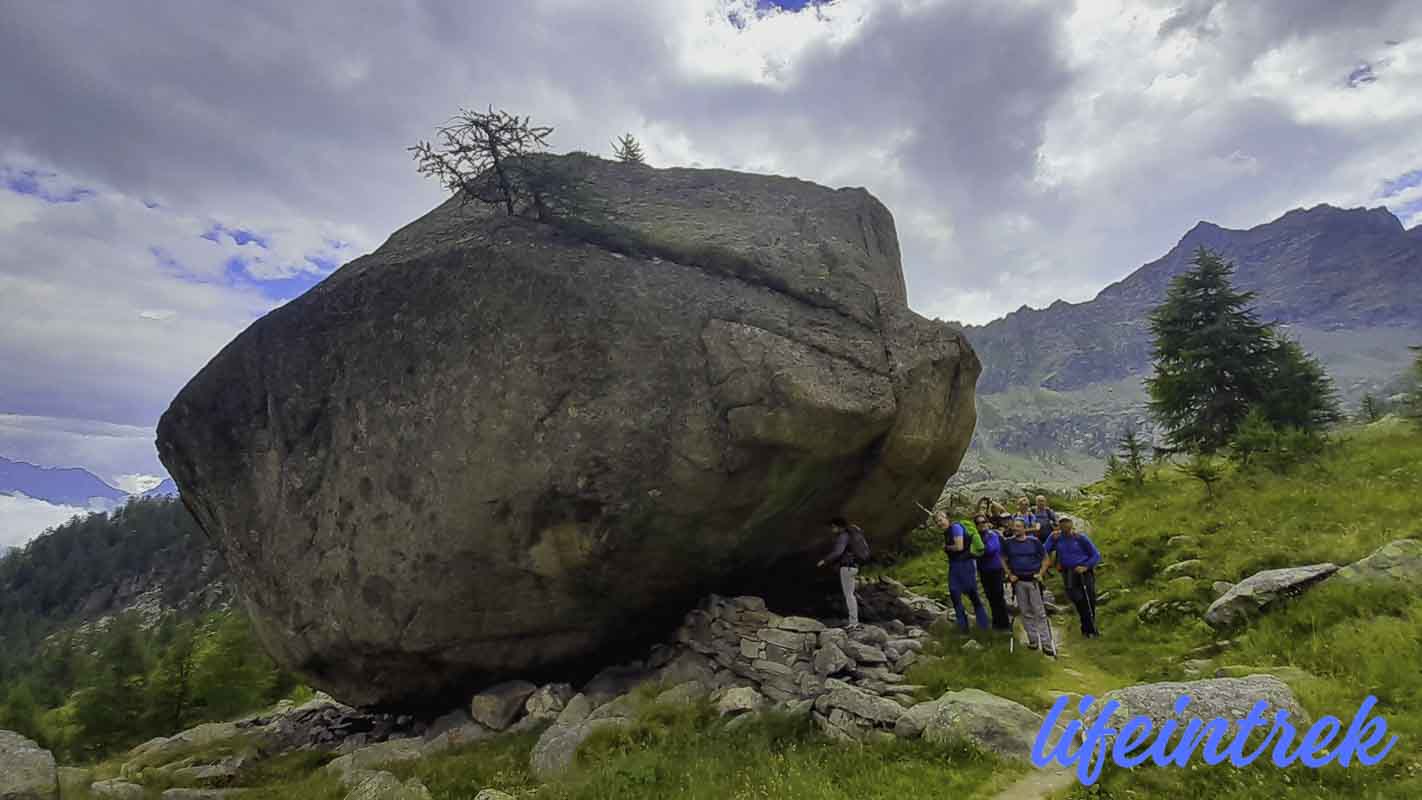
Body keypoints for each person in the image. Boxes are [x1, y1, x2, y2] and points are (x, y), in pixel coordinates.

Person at [1001, 519, 1054, 655]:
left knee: (1039, 611)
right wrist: (1009, 574)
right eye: (1014, 527)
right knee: (1025, 611)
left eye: (1018, 527)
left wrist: (1041, 573)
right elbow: (1002, 559)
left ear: (1024, 528)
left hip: (1033, 581)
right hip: (1018, 581)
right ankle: (1033, 640)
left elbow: (1046, 559)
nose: (1015, 529)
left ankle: (1046, 642)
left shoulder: (1034, 542)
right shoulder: (1008, 543)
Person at [1045, 516, 1101, 637]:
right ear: (1059, 525)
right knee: (1077, 599)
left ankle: (1089, 630)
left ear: (1071, 524)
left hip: (1084, 572)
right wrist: (1051, 541)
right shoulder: (1055, 537)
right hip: (1068, 572)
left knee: (1089, 599)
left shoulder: (1081, 538)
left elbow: (1096, 555)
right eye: (1061, 523)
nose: (1064, 525)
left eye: (1066, 522)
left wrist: (1086, 566)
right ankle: (1086, 626)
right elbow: (1044, 550)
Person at [937, 511, 990, 632]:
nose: (939, 523)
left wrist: (946, 547)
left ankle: (984, 625)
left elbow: (959, 547)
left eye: (941, 520)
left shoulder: (956, 527)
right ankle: (963, 627)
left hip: (965, 564)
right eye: (937, 521)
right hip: (955, 565)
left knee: (972, 594)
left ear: (947, 519)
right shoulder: (947, 532)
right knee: (954, 593)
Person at [817, 517, 866, 628]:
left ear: (838, 526)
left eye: (833, 527)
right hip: (854, 567)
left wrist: (824, 560)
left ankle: (853, 623)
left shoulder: (843, 536)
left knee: (849, 596)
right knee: (851, 595)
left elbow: (838, 552)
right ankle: (854, 621)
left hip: (847, 568)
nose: (831, 529)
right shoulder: (851, 535)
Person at [974, 514, 1010, 631]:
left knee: (998, 597)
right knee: (990, 597)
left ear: (987, 522)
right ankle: (996, 622)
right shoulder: (976, 537)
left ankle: (1005, 624)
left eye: (983, 522)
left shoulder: (993, 535)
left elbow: (990, 550)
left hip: (996, 570)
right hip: (984, 571)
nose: (981, 525)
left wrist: (978, 550)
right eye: (978, 523)